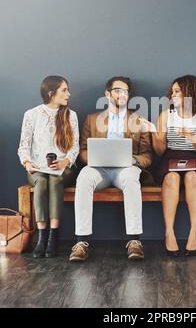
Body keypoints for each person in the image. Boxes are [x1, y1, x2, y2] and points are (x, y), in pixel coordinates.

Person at [69, 76, 153, 262]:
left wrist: (133, 160)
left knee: (132, 179)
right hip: (99, 169)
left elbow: (147, 155)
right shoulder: (92, 119)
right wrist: (91, 158)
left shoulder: (138, 120)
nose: (122, 94)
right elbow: (82, 149)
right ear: (107, 94)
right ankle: (81, 242)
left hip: (126, 169)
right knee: (83, 177)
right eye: (118, 90)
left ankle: (134, 241)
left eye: (125, 91)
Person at [142, 75, 196, 257]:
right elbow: (160, 151)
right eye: (172, 91)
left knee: (193, 177)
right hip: (170, 157)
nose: (172, 95)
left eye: (177, 91)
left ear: (190, 93)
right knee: (172, 178)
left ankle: (193, 232)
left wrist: (192, 138)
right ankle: (169, 232)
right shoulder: (166, 115)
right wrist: (154, 134)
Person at [18, 76, 79, 258]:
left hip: (63, 168)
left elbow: (75, 146)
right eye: (64, 90)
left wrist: (65, 161)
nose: (68, 94)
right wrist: (27, 162)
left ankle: (54, 235)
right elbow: (24, 145)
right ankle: (41, 236)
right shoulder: (32, 114)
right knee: (42, 182)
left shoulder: (70, 115)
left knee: (55, 179)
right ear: (51, 93)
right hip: (38, 167)